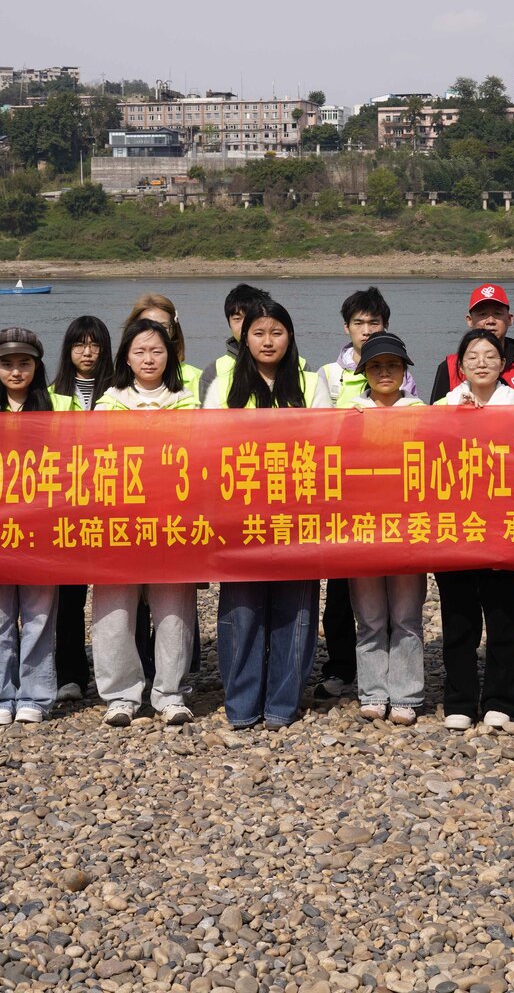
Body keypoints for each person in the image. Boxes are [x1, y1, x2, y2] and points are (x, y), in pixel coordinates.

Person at [205, 297, 321, 728]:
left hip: (299, 515)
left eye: (276, 332)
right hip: (241, 516)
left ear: (289, 337)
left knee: (296, 611)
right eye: (258, 332)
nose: (267, 341)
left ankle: (282, 704)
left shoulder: (310, 384)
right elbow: (206, 447)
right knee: (242, 611)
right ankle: (241, 704)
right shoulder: (223, 386)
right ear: (244, 337)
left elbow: (329, 444)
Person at [94, 317, 200, 726]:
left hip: (172, 518)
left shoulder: (187, 401)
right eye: (139, 350)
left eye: (157, 350)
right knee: (113, 609)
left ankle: (171, 692)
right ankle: (121, 694)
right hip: (118, 518)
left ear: (169, 355)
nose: (149, 358)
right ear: (126, 356)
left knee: (174, 609)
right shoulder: (108, 402)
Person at [0, 327, 67, 725]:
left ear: (37, 365)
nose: (15, 371)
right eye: (7, 363)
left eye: (24, 363)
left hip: (42, 528)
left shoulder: (59, 407)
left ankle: (36, 695)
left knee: (39, 616)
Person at [436, 328, 514, 729]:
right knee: (458, 616)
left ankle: (499, 701)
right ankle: (459, 700)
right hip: (455, 524)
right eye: (472, 356)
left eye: (490, 355)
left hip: (503, 523)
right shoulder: (443, 404)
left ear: (503, 364)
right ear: (460, 365)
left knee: (504, 614)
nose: (481, 362)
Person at [335, 331, 428, 725]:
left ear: (404, 370)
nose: (385, 372)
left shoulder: (422, 411)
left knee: (406, 616)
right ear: (364, 373)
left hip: (410, 526)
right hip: (363, 527)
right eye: (375, 366)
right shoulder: (349, 414)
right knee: (370, 616)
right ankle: (373, 691)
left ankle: (406, 694)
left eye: (392, 364)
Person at [48, 316, 112, 705]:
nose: (86, 353)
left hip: (112, 505)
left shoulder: (120, 391)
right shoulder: (52, 394)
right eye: (78, 345)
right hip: (67, 509)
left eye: (94, 344)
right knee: (67, 597)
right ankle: (71, 673)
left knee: (118, 595)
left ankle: (124, 672)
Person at [428, 282, 514, 405]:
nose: (490, 321)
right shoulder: (450, 366)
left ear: (510, 319)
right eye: (483, 314)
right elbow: (436, 417)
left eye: (497, 314)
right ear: (469, 320)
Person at [197, 283, 272, 405]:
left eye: (251, 317)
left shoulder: (299, 365)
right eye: (237, 319)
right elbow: (206, 420)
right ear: (229, 323)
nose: (244, 325)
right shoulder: (214, 372)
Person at [127, 291, 202, 403]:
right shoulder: (116, 382)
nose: (155, 333)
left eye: (163, 327)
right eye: (146, 326)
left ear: (174, 331)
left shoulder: (199, 379)